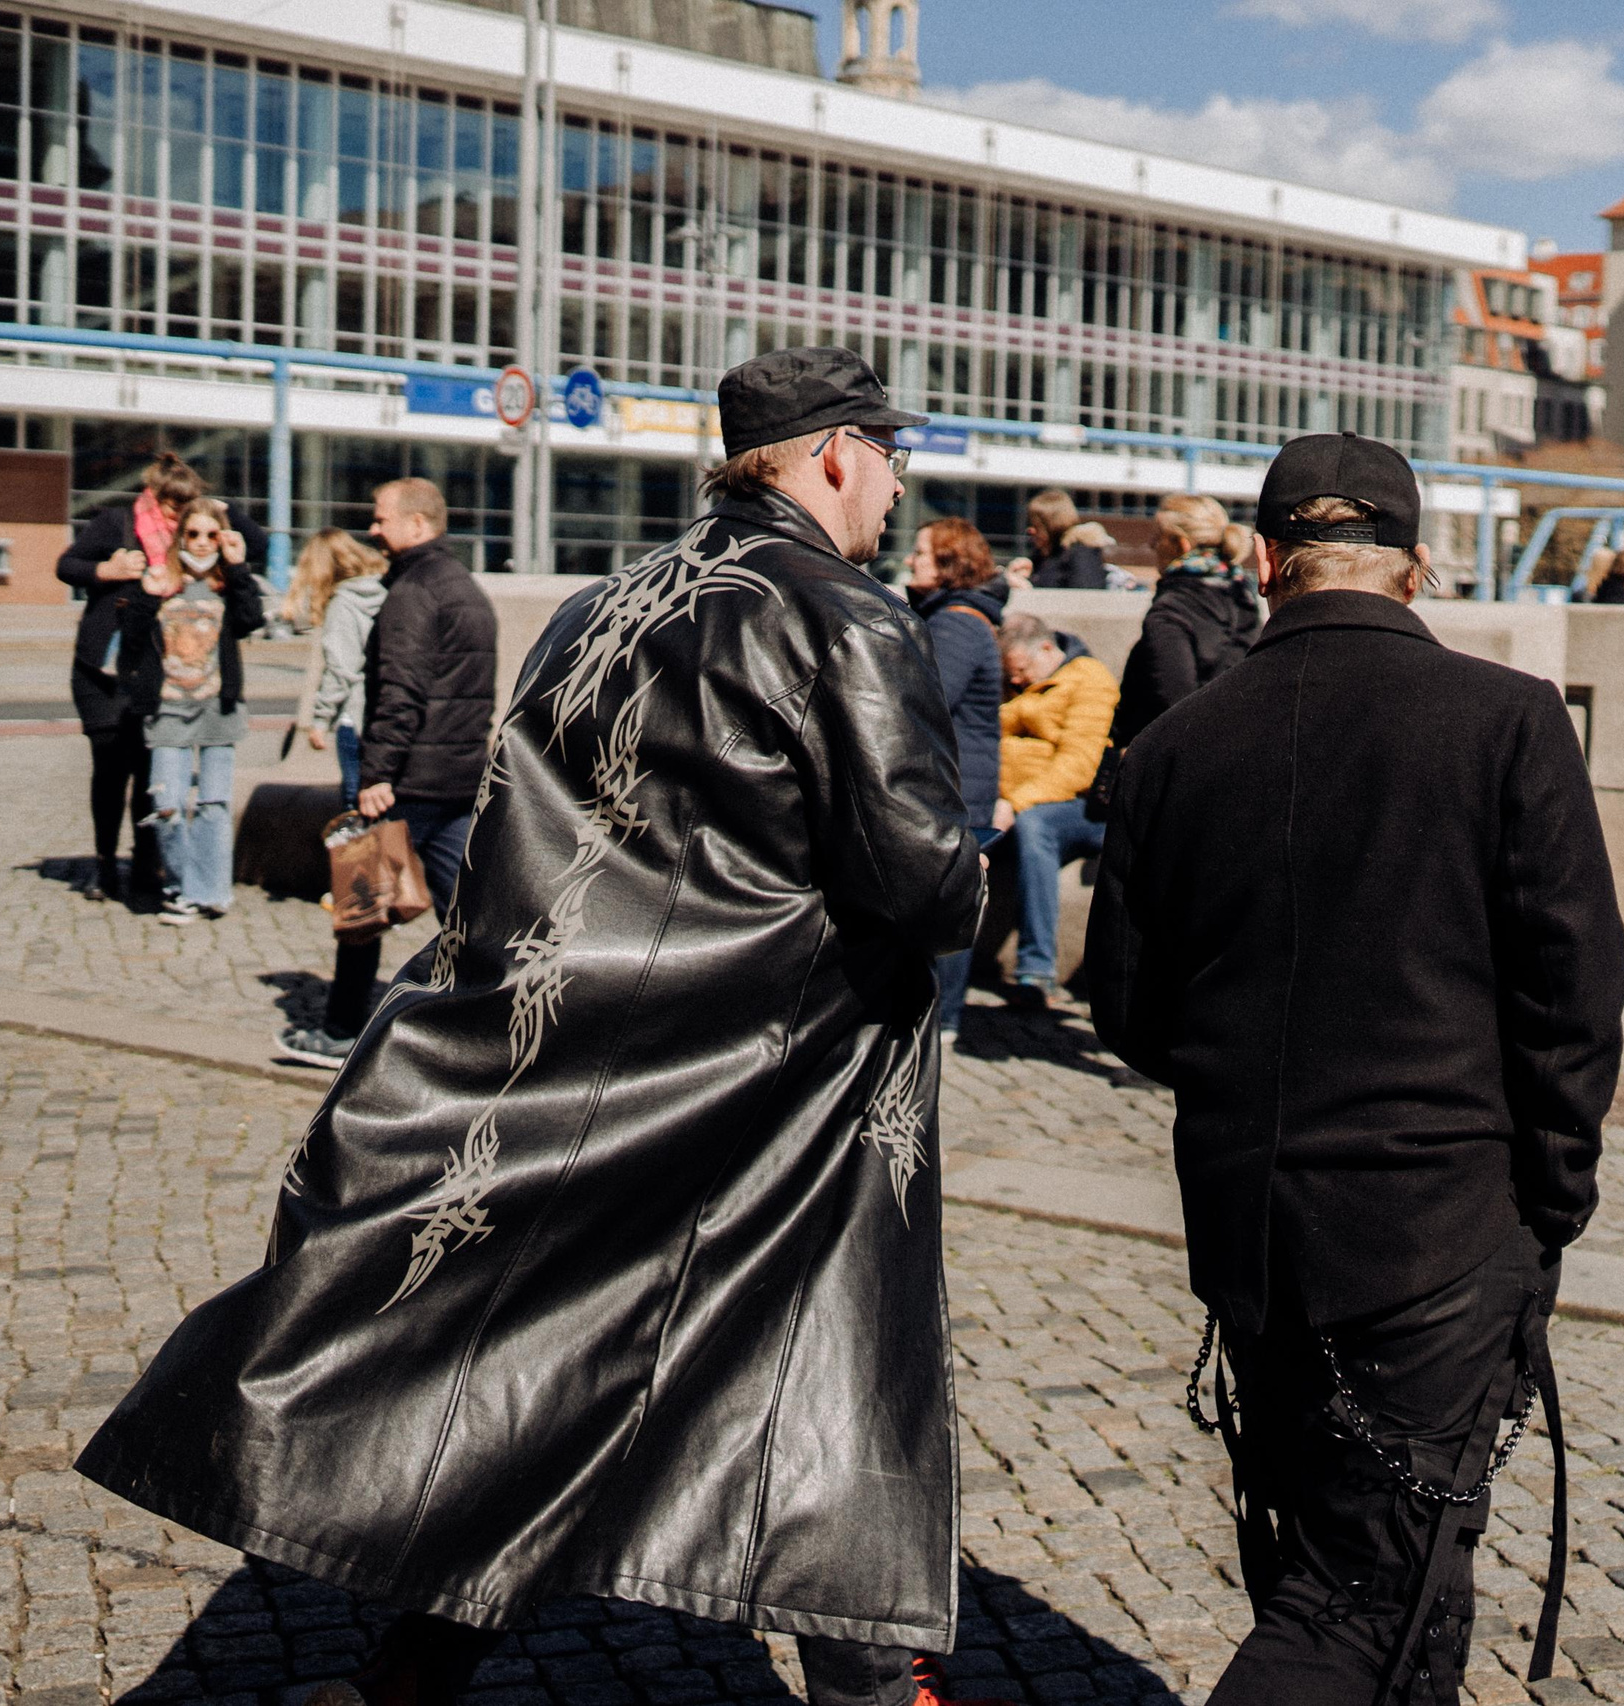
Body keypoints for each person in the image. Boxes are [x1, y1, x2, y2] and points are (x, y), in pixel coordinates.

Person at [79, 346, 994, 1706]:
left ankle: (403, 1681)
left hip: (588, 1058)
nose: (897, 489)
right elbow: (917, 878)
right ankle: (867, 1687)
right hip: (782, 1075)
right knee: (822, 1361)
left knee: (543, 1353)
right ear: (834, 453)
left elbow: (524, 847)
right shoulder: (844, 615)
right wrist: (977, 873)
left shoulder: (597, 606)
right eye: (891, 458)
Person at [1087, 433, 1624, 1706]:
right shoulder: (1507, 718)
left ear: (1263, 559)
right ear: (1416, 565)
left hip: (1256, 1230)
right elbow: (1574, 992)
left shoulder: (1174, 745)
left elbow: (1126, 1007)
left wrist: (1247, 1088)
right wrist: (1550, 1202)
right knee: (1362, 1593)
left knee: (1382, 1573)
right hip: (1437, 1223)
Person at [278, 479, 495, 1064]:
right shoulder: (466, 588)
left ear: (417, 524)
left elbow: (399, 694)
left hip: (407, 782)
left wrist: (376, 776)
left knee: (361, 906)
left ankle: (341, 1031)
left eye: (381, 519)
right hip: (458, 778)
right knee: (467, 913)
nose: (373, 529)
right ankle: (490, 1026)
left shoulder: (411, 593)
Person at [58, 452, 269, 907]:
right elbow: (67, 566)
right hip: (105, 670)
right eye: (173, 505)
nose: (179, 516)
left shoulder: (196, 535)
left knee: (147, 769)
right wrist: (106, 571)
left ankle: (146, 861)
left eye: (187, 504)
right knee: (109, 768)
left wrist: (223, 510)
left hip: (155, 672)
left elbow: (257, 545)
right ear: (154, 496)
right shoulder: (117, 524)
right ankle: (103, 862)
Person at [128, 498, 263, 923]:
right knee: (166, 805)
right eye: (193, 534)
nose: (202, 543)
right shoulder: (161, 580)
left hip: (217, 709)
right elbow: (131, 643)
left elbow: (251, 619)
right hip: (168, 710)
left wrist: (238, 567)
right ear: (180, 537)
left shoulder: (228, 582)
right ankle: (184, 886)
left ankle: (208, 893)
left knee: (213, 805)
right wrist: (146, 598)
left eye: (211, 534)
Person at [909, 517, 1008, 1040]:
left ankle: (940, 1021)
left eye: (922, 552)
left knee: (947, 902)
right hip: (965, 784)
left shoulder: (955, 625)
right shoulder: (961, 618)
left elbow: (926, 705)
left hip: (957, 788)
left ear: (949, 564)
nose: (911, 560)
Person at [997, 611, 1117, 1010]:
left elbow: (1078, 766)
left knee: (1036, 825)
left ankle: (1036, 971)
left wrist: (1014, 803)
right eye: (1010, 673)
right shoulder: (1015, 683)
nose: (1015, 681)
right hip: (1006, 802)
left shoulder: (1088, 679)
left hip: (1079, 808)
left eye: (1021, 670)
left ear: (1047, 649)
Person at [1109, 493, 1260, 751]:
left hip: (1178, 759)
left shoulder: (1171, 611)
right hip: (1241, 749)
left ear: (1182, 545)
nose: (1150, 545)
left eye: (1157, 537)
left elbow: (1176, 707)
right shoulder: (1244, 600)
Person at [286, 528, 392, 807]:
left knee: (354, 800)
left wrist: (321, 720)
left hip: (354, 716)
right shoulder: (385, 590)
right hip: (385, 713)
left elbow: (340, 670)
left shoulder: (342, 605)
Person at [1003, 488, 1108, 590]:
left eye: (1036, 526)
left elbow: (1086, 596)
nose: (1030, 530)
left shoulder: (1081, 553)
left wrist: (1028, 591)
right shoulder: (1040, 556)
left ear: (1052, 525)